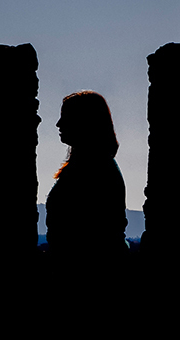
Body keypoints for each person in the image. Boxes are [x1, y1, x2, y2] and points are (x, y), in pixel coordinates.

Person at [45, 90, 129, 256]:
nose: (58, 124)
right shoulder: (92, 165)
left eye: (66, 117)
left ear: (85, 121)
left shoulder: (95, 169)